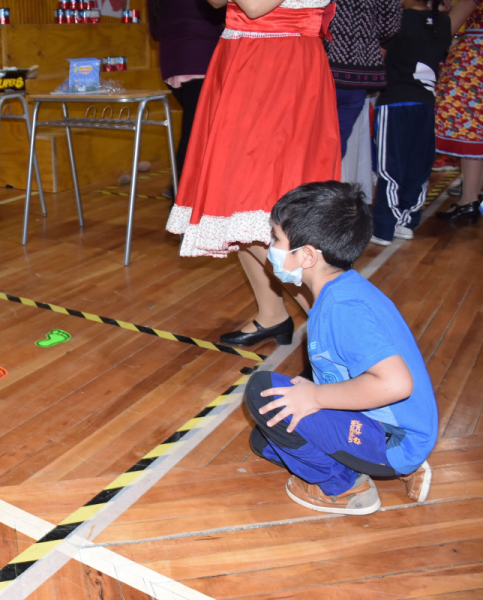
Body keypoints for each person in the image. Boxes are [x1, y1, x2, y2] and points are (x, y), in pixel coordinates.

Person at [246, 181, 437, 515]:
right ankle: (393, 464)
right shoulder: (342, 288)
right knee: (265, 438)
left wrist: (316, 398)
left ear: (307, 255)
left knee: (263, 393)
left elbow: (396, 384)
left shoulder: (344, 310)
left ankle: (346, 487)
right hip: (385, 426)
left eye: (275, 238)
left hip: (394, 438)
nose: (270, 245)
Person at [167, 0, 341, 348]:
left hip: (276, 64)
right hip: (244, 58)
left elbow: (255, 5)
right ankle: (272, 314)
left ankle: (332, 322)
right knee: (234, 206)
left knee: (255, 203)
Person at [370, 0, 452, 245]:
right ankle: (406, 220)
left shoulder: (396, 20)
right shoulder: (443, 22)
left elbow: (378, 58)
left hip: (394, 101)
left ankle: (384, 226)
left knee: (389, 166)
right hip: (425, 102)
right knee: (418, 165)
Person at [147, 0, 225, 198]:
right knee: (195, 132)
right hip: (199, 58)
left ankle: (180, 188)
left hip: (172, 62)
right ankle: (181, 193)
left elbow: (155, 30)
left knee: (197, 128)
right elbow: (218, 13)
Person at [324, 0, 402, 157]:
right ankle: (327, 179)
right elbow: (390, 24)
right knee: (338, 143)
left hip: (323, 65)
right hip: (358, 73)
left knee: (310, 137)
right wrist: (364, 36)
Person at [435, 0, 483, 223]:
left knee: (471, 131)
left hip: (475, 61)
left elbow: (448, 29)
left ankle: (469, 200)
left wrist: (444, 12)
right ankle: (473, 195)